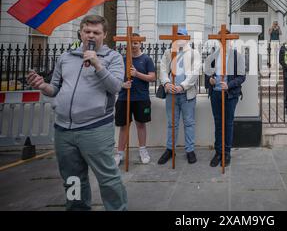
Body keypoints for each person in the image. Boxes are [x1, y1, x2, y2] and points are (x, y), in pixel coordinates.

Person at [26, 15, 127, 211]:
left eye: (96, 32)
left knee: (107, 178)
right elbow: (54, 88)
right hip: (63, 130)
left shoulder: (112, 58)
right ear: (80, 32)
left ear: (104, 35)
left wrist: (97, 64)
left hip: (95, 128)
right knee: (72, 178)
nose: (91, 35)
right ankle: (76, 208)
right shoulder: (65, 57)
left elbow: (115, 87)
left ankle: (117, 208)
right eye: (87, 31)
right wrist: (42, 85)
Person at [158, 28, 201, 165]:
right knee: (172, 124)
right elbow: (163, 69)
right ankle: (170, 149)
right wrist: (166, 83)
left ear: (187, 38)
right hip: (171, 94)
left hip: (187, 95)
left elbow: (195, 72)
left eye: (181, 36)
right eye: (177, 36)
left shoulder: (194, 53)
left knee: (189, 123)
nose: (179, 38)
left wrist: (182, 85)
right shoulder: (168, 52)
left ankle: (190, 150)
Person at [205, 30, 246, 167]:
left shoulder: (237, 56)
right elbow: (207, 73)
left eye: (226, 39)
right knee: (218, 123)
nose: (224, 42)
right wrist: (210, 79)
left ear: (230, 40)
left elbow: (241, 77)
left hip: (230, 94)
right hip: (215, 94)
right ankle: (218, 152)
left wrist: (228, 85)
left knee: (228, 123)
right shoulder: (213, 56)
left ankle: (227, 152)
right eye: (221, 40)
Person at [114, 34, 156, 166]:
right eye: (131, 43)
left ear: (140, 44)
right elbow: (115, 77)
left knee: (141, 124)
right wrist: (122, 84)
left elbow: (152, 77)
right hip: (124, 97)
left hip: (141, 97)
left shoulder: (146, 59)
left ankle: (142, 150)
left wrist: (136, 74)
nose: (133, 45)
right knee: (124, 126)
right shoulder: (122, 59)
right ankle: (120, 153)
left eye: (136, 43)